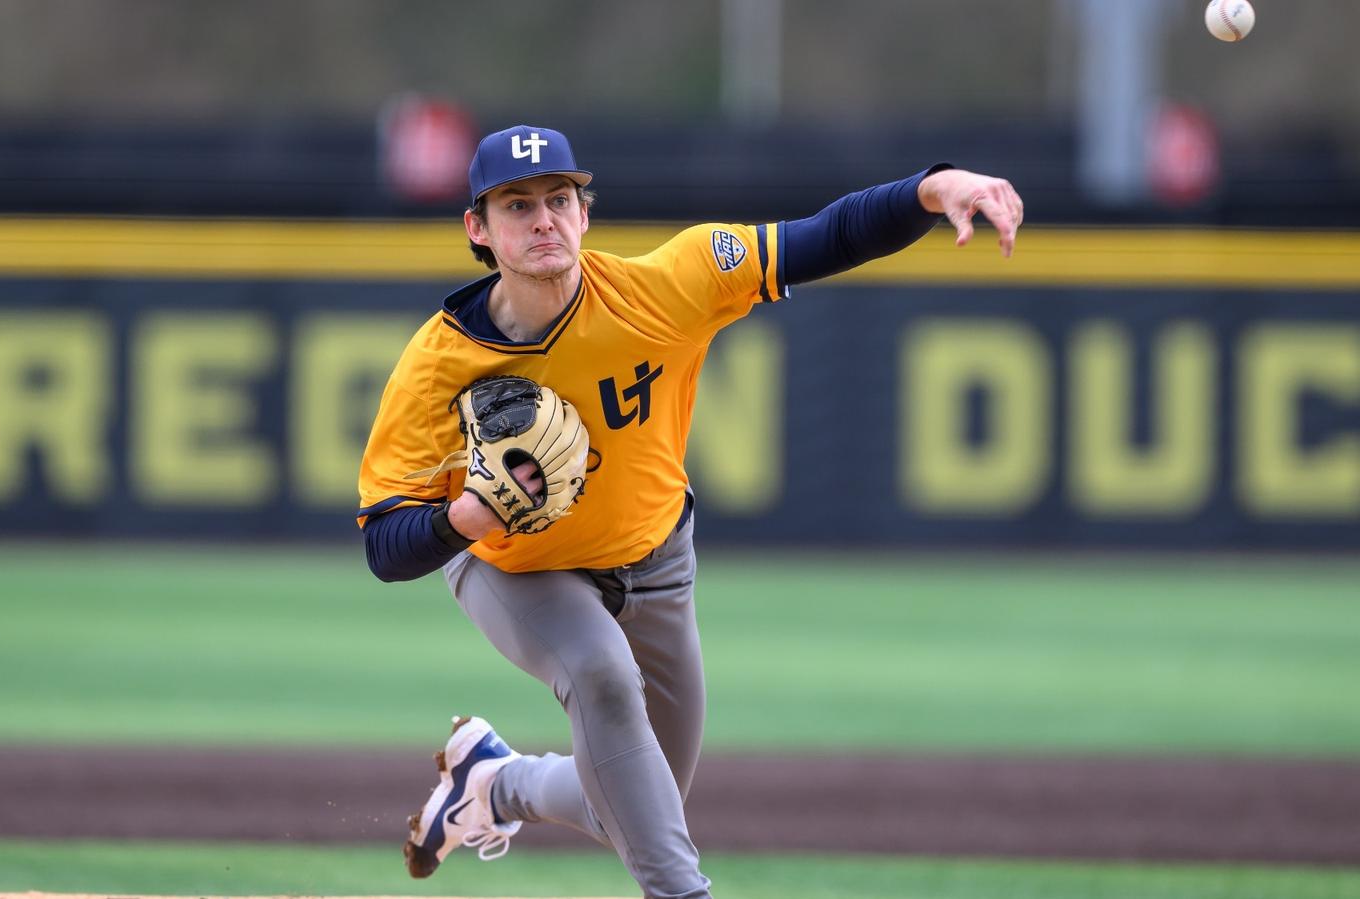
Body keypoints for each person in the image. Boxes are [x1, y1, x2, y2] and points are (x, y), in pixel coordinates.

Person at [357, 124, 1022, 899]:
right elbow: (384, 543)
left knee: (636, 804)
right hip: (517, 567)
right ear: (478, 228)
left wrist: (931, 190)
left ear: (584, 212)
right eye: (516, 204)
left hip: (657, 561)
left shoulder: (668, 286)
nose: (543, 219)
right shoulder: (438, 366)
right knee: (603, 679)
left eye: (559, 199)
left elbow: (829, 235)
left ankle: (496, 784)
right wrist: (463, 519)